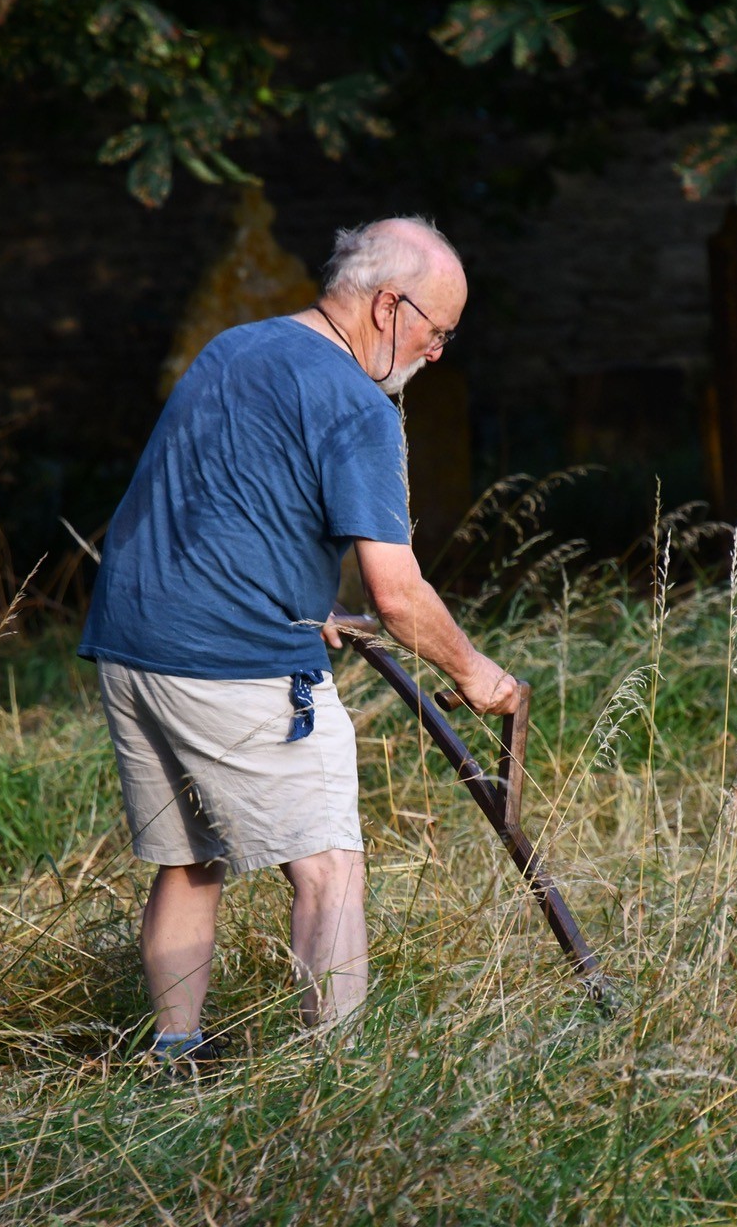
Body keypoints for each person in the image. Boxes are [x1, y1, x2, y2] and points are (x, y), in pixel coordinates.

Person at [78, 215, 520, 1067]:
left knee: (189, 859)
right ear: (390, 307)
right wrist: (476, 671)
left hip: (130, 644)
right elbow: (398, 593)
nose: (437, 354)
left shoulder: (237, 348)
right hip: (233, 661)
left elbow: (221, 503)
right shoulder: (359, 406)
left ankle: (177, 1053)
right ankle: (336, 1083)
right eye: (438, 331)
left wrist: (297, 596)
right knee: (328, 866)